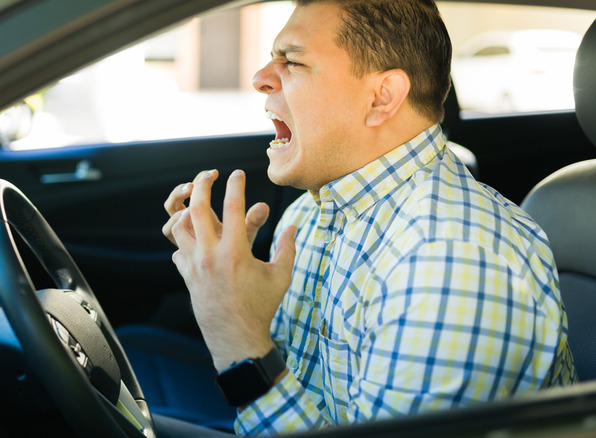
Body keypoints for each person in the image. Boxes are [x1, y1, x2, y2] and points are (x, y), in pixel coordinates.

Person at [156, 0, 577, 435]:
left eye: (293, 61)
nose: (260, 78)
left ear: (382, 97)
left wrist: (236, 334)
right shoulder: (311, 213)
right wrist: (226, 282)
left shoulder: (453, 263)